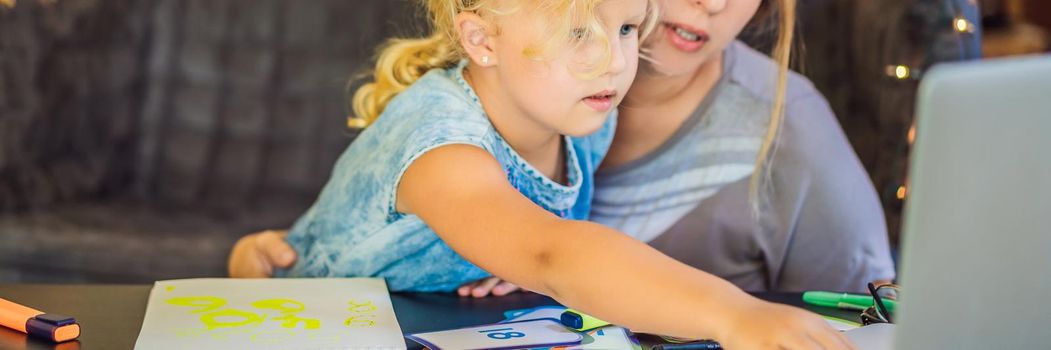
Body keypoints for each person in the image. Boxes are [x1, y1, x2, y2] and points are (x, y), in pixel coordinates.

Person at [230, 0, 855, 348]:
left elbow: (528, 237)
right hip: (301, 320)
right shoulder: (440, 143)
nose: (614, 63)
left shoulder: (585, 114)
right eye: (579, 32)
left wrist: (496, 249)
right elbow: (553, 252)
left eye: (628, 27)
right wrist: (734, 315)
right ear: (482, 39)